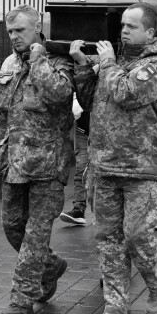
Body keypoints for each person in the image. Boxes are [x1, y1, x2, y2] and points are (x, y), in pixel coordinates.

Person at [72, 2, 157, 314]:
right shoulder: (113, 61)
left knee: (136, 236)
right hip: (104, 167)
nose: (124, 30)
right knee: (108, 240)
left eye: (132, 26)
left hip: (140, 169)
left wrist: (107, 64)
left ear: (150, 32)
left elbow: (127, 93)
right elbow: (92, 102)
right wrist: (81, 69)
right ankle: (116, 308)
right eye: (123, 25)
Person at [0, 4, 74, 314]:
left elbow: (61, 96)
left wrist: (39, 63)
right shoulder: (8, 63)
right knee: (13, 227)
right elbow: (0, 113)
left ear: (38, 28)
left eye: (20, 30)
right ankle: (51, 266)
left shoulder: (59, 60)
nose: (14, 37)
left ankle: (22, 299)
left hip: (48, 164)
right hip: (14, 164)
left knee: (35, 235)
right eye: (10, 32)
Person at [60, 96, 90, 226]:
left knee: (105, 171)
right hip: (83, 129)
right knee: (81, 169)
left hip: (107, 131)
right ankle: (79, 209)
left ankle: (106, 213)